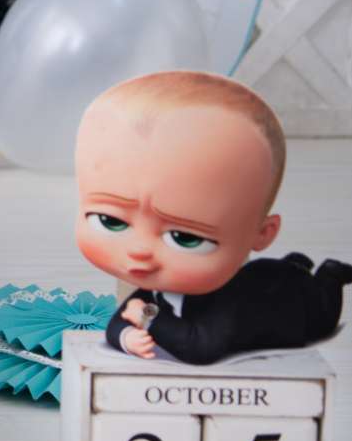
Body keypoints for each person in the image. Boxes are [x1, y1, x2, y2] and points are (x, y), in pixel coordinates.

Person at [74, 70, 348, 365]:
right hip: (267, 275)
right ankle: (295, 263)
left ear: (262, 233)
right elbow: (119, 322)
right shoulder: (158, 286)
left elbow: (201, 348)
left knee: (322, 317)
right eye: (111, 220)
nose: (139, 251)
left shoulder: (231, 303)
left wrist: (147, 317)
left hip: (296, 302)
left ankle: (329, 275)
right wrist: (127, 337)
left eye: (185, 238)